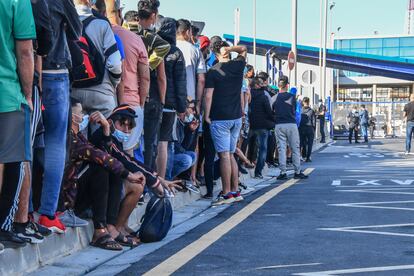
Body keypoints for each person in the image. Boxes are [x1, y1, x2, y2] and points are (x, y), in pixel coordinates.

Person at [66, 99, 145, 250]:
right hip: (71, 201)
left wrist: (107, 131)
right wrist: (128, 175)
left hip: (83, 195)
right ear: (73, 118)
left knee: (111, 168)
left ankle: (110, 226)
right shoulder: (70, 138)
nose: (85, 116)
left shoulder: (80, 137)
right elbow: (101, 156)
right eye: (81, 113)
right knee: (102, 167)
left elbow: (112, 158)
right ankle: (100, 231)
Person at [38, 0, 82, 234]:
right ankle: (47, 212)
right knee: (55, 145)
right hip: (54, 73)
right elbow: (76, 31)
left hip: (24, 72)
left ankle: (19, 212)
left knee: (25, 146)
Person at [0, 0, 36, 249]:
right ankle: (3, 226)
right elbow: (25, 52)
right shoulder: (17, 1)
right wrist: (28, 93)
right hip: (7, 94)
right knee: (13, 162)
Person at [204, 41, 247, 205]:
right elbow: (243, 49)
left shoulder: (213, 71)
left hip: (220, 117)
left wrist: (206, 115)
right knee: (231, 154)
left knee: (223, 156)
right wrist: (230, 48)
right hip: (236, 117)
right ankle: (236, 190)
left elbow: (208, 95)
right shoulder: (238, 66)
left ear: (215, 54)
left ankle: (227, 192)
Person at [108, 0, 149, 153]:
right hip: (131, 102)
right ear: (120, 13)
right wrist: (141, 103)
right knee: (127, 153)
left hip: (105, 99)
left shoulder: (91, 29)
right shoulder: (135, 39)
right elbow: (145, 77)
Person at [72, 0, 122, 123]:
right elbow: (115, 63)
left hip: (72, 92)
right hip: (101, 92)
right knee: (103, 136)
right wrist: (113, 83)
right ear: (90, 2)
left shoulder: (65, 21)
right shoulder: (102, 24)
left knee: (76, 139)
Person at [155, 17, 187, 178]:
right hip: (168, 105)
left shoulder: (151, 46)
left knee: (148, 142)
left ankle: (148, 180)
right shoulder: (175, 51)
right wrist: (182, 108)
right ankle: (161, 180)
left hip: (150, 101)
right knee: (163, 142)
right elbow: (181, 83)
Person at [273, 76, 308, 180]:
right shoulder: (292, 97)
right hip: (291, 124)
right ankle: (297, 171)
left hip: (279, 124)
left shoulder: (274, 98)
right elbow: (296, 111)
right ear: (287, 85)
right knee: (295, 148)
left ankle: (283, 172)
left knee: (281, 149)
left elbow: (270, 110)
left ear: (279, 86)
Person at [176, 19, 206, 114]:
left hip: (170, 99)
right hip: (189, 101)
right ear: (188, 32)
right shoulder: (196, 51)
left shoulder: (169, 47)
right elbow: (201, 80)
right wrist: (198, 104)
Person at [248, 78, 275, 178]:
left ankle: (248, 161)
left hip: (250, 124)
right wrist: (273, 120)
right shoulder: (263, 96)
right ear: (258, 85)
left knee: (249, 146)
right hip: (263, 126)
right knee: (263, 149)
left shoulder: (248, 95)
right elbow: (269, 111)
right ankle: (258, 172)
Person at [299, 97, 316, 162]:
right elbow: (313, 121)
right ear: (309, 102)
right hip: (310, 128)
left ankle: (302, 156)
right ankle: (308, 157)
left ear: (303, 102)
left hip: (301, 128)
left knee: (302, 143)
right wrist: (314, 130)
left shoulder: (300, 110)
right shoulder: (311, 111)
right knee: (310, 143)